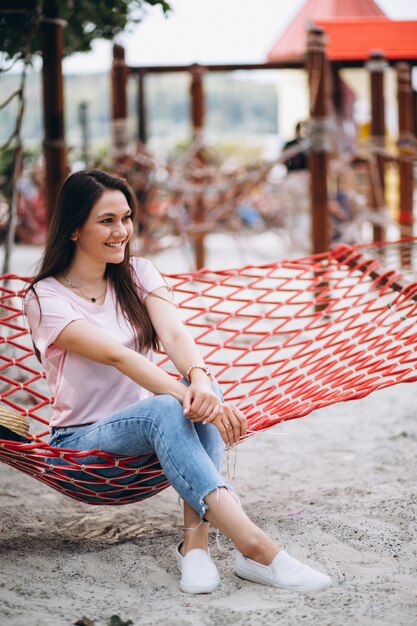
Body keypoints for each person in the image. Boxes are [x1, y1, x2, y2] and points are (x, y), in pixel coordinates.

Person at [24, 169, 331, 595]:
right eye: (106, 221)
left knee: (200, 385)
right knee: (175, 403)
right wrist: (198, 398)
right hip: (81, 448)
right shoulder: (46, 298)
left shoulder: (140, 273)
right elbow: (119, 356)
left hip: (151, 435)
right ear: (74, 229)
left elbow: (175, 335)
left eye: (126, 218)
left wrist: (201, 380)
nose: (122, 231)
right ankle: (256, 547)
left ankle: (197, 545)